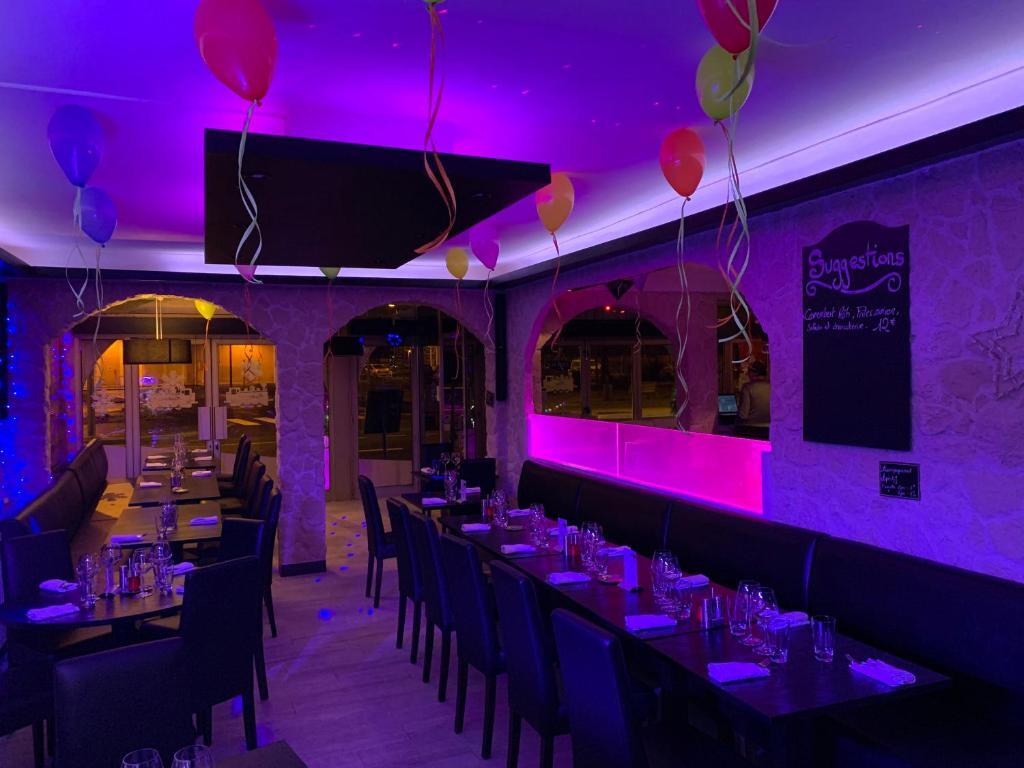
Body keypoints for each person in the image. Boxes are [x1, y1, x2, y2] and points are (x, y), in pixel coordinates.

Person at [738, 360, 770, 427]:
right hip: (770, 428)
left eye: (749, 371)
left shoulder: (747, 388)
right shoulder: (774, 387)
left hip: (751, 428)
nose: (747, 374)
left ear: (753, 373)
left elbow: (743, 415)